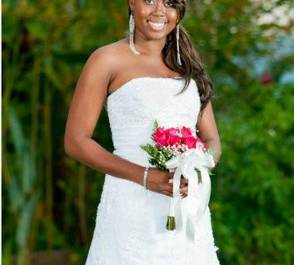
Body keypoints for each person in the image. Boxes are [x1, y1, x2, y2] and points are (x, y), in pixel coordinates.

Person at [64, 0, 222, 264]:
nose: (159, 11)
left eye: (170, 3)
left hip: (186, 210)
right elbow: (76, 141)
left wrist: (197, 166)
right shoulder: (106, 59)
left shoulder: (188, 64)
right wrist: (147, 177)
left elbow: (212, 139)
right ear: (131, 3)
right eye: (149, 0)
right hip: (131, 204)